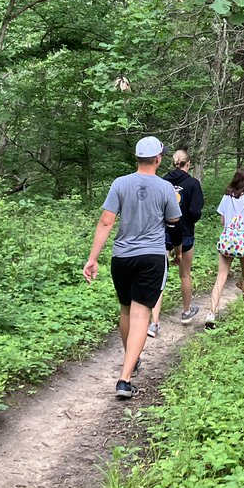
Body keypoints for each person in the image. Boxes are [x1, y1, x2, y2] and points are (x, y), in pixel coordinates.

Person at [83, 136, 182, 399]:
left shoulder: (120, 184)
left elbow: (106, 222)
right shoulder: (165, 187)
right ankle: (124, 380)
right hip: (151, 257)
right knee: (141, 314)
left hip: (122, 257)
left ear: (137, 158)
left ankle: (131, 359)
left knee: (126, 310)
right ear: (159, 159)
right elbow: (174, 219)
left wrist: (93, 258)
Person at [148, 149, 204, 334]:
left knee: (159, 277)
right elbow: (196, 212)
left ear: (173, 163)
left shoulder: (161, 181)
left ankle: (154, 322)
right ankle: (186, 312)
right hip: (185, 233)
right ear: (188, 164)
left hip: (161, 234)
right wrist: (187, 220)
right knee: (185, 274)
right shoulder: (193, 183)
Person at [205, 168, 244, 326]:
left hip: (228, 242)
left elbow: (223, 222)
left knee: (220, 277)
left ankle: (211, 313)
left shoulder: (226, 197)